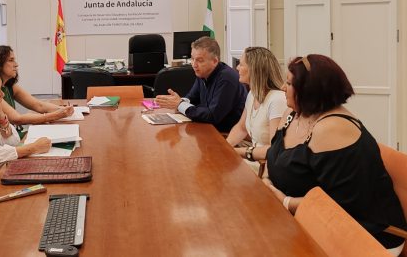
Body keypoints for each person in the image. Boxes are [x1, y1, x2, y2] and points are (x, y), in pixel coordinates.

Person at [264, 54, 406, 255]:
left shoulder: (331, 128)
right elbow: (275, 155)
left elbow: (339, 206)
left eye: (289, 83)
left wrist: (285, 201)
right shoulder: (292, 115)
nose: (282, 88)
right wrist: (267, 180)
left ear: (309, 91)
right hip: (306, 219)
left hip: (366, 235)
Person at [0, 46, 73, 135]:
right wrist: (54, 116)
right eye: (11, 60)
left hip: (12, 134)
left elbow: (38, 105)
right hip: (4, 139)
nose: (16, 65)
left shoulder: (9, 86)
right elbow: (17, 119)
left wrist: (63, 110)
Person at [155, 37, 246, 132]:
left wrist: (179, 104)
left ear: (215, 61)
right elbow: (192, 98)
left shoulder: (227, 78)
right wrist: (178, 101)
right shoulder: (202, 73)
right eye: (192, 59)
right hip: (210, 129)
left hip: (227, 134)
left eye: (199, 60)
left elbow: (212, 116)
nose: (194, 64)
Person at [226, 47, 286, 164]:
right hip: (251, 157)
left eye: (241, 64)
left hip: (265, 165)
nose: (237, 67)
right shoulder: (252, 94)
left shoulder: (277, 100)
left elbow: (274, 149)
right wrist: (225, 146)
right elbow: (241, 128)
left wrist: (237, 151)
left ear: (254, 70)